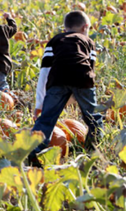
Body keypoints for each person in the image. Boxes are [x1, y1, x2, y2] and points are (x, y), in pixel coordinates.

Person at [29, 11, 103, 166]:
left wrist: (39, 105)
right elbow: (90, 69)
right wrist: (78, 97)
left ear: (65, 28)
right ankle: (95, 150)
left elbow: (45, 72)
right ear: (85, 27)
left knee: (47, 119)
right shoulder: (88, 41)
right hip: (83, 77)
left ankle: (34, 155)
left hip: (58, 78)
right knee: (93, 117)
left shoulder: (56, 40)